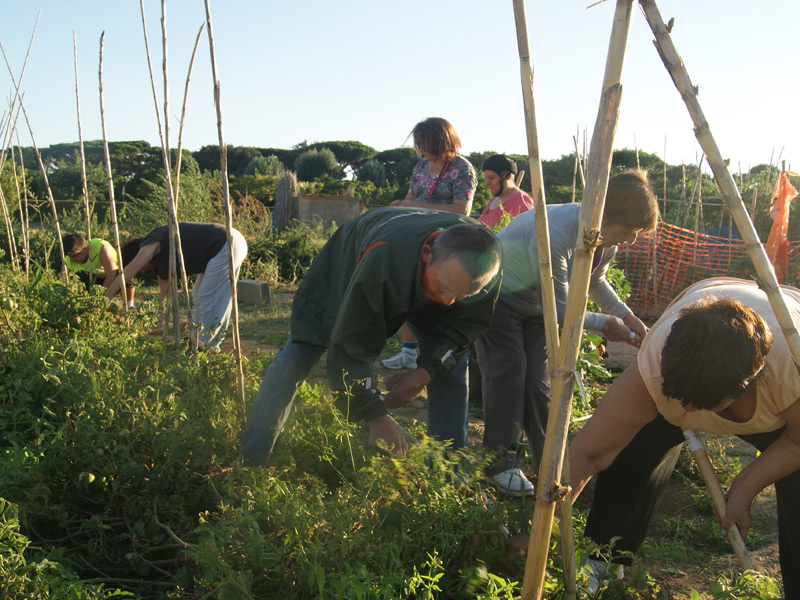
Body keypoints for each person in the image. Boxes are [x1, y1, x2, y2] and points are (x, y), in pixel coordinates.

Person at [567, 278, 800, 597]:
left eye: (701, 404)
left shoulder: (791, 374)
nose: (688, 410)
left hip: (783, 381)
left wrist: (744, 488)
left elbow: (797, 443)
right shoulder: (656, 364)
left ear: (745, 387)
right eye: (679, 398)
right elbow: (588, 452)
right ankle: (605, 559)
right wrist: (540, 518)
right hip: (699, 338)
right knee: (631, 449)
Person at [240, 207, 502, 466]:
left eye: (461, 296)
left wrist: (421, 375)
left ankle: (449, 472)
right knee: (299, 354)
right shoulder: (381, 257)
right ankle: (253, 459)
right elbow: (351, 344)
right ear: (426, 254)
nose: (447, 302)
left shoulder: (487, 264)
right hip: (359, 253)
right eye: (445, 287)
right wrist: (376, 417)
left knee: (451, 370)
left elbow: (460, 332)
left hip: (414, 263)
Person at [475, 169, 658, 497]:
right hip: (498, 297)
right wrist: (605, 324)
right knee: (509, 371)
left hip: (534, 308)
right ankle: (499, 465)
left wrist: (627, 317)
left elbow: (595, 281)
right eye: (629, 230)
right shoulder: (557, 231)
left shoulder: (604, 242)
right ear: (608, 213)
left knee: (537, 382)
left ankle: (550, 466)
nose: (630, 240)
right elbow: (559, 311)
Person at [382, 117, 478, 371]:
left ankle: (437, 356)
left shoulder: (462, 168)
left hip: (447, 243)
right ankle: (408, 353)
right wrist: (401, 205)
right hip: (417, 237)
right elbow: (412, 197)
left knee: (437, 296)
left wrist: (417, 205)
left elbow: (462, 209)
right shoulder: (421, 167)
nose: (419, 149)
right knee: (408, 291)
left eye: (422, 143)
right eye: (417, 144)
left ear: (438, 140)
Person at [105, 222, 247, 351]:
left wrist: (106, 298)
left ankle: (207, 347)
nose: (143, 270)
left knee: (209, 296)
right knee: (198, 294)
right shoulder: (161, 264)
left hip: (226, 242)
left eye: (141, 266)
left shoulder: (150, 243)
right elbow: (166, 294)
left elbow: (132, 268)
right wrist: (157, 322)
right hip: (220, 247)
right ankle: (194, 337)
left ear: (136, 255)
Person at [63, 233, 135, 309]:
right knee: (78, 277)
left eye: (74, 256)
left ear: (84, 248)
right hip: (91, 283)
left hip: (110, 279)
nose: (71, 259)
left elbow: (111, 274)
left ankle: (129, 306)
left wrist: (101, 300)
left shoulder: (101, 248)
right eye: (68, 256)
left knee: (124, 275)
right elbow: (63, 280)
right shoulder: (69, 258)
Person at [477, 154, 534, 228]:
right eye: (486, 178)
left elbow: (528, 231)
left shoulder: (521, 200)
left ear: (508, 176)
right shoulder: (493, 200)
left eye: (492, 178)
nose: (487, 183)